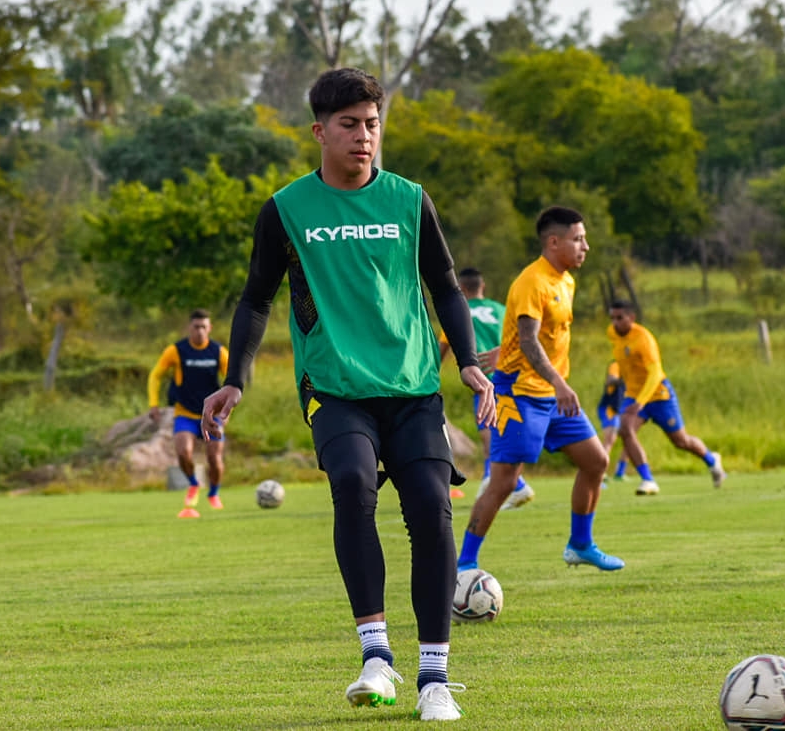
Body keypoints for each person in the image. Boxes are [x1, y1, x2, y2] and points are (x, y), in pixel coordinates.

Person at [200, 68, 494, 722]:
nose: (364, 136)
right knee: (354, 484)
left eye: (372, 124)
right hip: (333, 387)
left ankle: (435, 679)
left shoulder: (410, 200)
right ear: (319, 132)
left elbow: (446, 286)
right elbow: (255, 298)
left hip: (412, 384)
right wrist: (235, 379)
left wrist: (470, 363)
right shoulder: (286, 209)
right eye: (349, 125)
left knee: (431, 508)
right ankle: (376, 657)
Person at [456, 206, 624, 573]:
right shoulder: (532, 281)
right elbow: (531, 341)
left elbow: (535, 335)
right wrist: (559, 382)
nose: (586, 246)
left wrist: (507, 349)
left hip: (551, 395)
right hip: (520, 394)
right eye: (578, 239)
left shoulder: (566, 281)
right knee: (504, 482)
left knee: (596, 462)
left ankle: (580, 544)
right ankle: (464, 564)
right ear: (554, 242)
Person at [607, 299, 725, 496]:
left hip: (659, 394)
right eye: (612, 318)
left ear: (632, 318)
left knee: (681, 441)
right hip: (633, 395)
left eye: (620, 318)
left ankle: (712, 460)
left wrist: (640, 402)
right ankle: (648, 480)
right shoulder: (612, 333)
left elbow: (655, 374)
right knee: (625, 428)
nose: (615, 323)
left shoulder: (644, 340)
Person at [439, 267, 534, 507]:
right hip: (512, 378)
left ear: (461, 288)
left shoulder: (457, 311)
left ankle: (514, 485)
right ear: (483, 286)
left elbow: (441, 350)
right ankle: (498, 482)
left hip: (483, 381)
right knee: (504, 432)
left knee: (490, 436)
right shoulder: (501, 310)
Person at [147, 308, 229, 518]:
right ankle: (193, 483)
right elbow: (155, 375)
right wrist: (153, 404)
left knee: (214, 458)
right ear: (189, 328)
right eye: (196, 327)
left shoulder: (219, 352)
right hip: (185, 413)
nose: (200, 331)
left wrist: (227, 411)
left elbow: (233, 382)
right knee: (183, 452)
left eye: (203, 327)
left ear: (210, 328)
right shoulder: (176, 350)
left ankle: (213, 494)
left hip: (211, 415)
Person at [597, 360, 629, 484]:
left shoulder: (633, 367)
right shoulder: (617, 364)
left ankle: (620, 472)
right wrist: (626, 378)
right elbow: (610, 380)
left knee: (630, 439)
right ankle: (599, 471)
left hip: (622, 408)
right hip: (610, 408)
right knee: (610, 439)